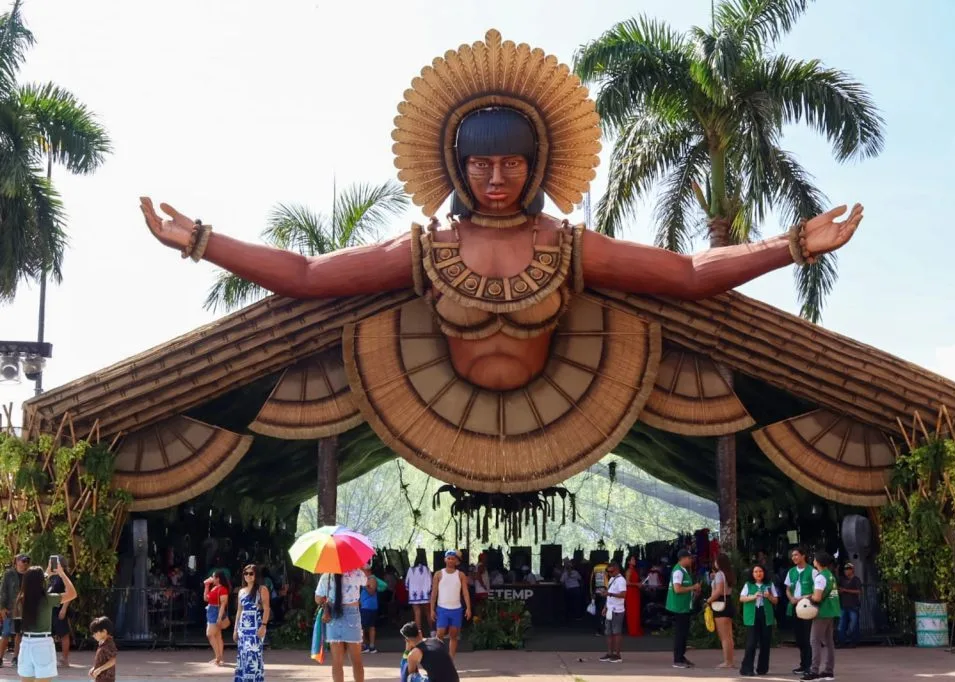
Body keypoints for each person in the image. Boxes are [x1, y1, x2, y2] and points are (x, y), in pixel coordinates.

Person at [139, 28, 864, 496]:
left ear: (536, 164)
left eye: (511, 163)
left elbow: (686, 276)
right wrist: (202, 240)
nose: (494, 178)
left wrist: (792, 245)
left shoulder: (567, 245)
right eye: (480, 164)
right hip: (431, 404)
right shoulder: (427, 248)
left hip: (567, 403)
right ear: (456, 167)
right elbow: (306, 277)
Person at [16, 562, 77, 681]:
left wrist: (46, 573)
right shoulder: (47, 598)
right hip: (42, 644)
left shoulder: (21, 599)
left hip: (25, 644)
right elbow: (72, 593)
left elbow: (33, 583)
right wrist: (61, 573)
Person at [315, 567, 368, 682]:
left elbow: (317, 598)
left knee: (337, 661)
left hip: (333, 615)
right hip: (352, 615)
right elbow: (366, 582)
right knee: (356, 660)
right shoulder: (357, 573)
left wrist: (327, 599)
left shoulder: (326, 576)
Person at [804, 551, 840, 682]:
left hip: (822, 612)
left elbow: (818, 597)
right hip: (831, 611)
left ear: (817, 562)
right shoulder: (830, 575)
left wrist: (809, 598)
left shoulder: (820, 577)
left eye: (814, 559)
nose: (813, 561)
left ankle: (814, 671)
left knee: (815, 641)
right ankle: (829, 671)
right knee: (829, 642)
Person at [430, 551, 471, 659]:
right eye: (448, 558)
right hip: (442, 608)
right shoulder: (438, 574)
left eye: (453, 559)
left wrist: (468, 608)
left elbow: (465, 592)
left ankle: (451, 659)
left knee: (454, 635)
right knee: (440, 634)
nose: (450, 560)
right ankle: (439, 657)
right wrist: (432, 609)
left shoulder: (461, 575)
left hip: (456, 609)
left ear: (456, 561)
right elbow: (434, 592)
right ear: (445, 559)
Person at [233, 564, 271, 682]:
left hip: (256, 627)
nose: (248, 576)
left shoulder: (261, 589)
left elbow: (267, 609)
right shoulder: (241, 591)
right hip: (243, 629)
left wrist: (263, 626)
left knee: (253, 655)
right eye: (245, 573)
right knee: (243, 656)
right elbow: (239, 611)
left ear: (256, 575)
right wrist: (235, 629)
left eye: (251, 573)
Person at [739, 564, 778, 677]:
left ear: (764, 573)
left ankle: (762, 668)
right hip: (752, 615)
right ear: (752, 574)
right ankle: (747, 669)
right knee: (751, 643)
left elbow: (776, 601)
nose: (758, 574)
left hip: (766, 615)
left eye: (760, 571)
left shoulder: (769, 584)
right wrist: (753, 596)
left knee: (765, 643)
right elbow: (741, 598)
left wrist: (769, 596)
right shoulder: (748, 584)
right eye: (755, 572)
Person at [666, 550, 700, 669]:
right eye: (689, 558)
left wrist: (694, 591)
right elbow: (677, 589)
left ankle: (681, 656)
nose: (691, 560)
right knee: (680, 633)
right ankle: (677, 659)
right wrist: (692, 587)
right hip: (679, 607)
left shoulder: (684, 570)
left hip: (685, 606)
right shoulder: (678, 571)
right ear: (683, 558)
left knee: (684, 633)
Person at [784, 546, 814, 676]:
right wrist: (791, 598)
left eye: (796, 555)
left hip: (808, 607)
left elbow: (816, 591)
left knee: (808, 638)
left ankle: (810, 665)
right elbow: (787, 589)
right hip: (795, 607)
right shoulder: (791, 571)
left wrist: (802, 597)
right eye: (792, 555)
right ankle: (803, 664)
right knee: (799, 638)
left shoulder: (812, 571)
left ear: (803, 556)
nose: (794, 557)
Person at [0, 554, 29, 668]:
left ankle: (16, 658)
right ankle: (0, 658)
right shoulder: (9, 574)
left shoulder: (29, 574)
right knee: (5, 633)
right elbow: (3, 591)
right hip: (10, 609)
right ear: (16, 562)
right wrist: (2, 608)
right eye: (23, 560)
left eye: (27, 561)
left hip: (24, 609)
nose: (25, 563)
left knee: (19, 634)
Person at [709, 553, 736, 668]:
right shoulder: (727, 574)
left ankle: (727, 662)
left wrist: (708, 600)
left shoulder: (720, 574)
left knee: (724, 636)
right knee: (728, 635)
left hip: (720, 603)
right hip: (728, 602)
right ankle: (730, 660)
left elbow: (719, 591)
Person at [599, 561, 627, 663]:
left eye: (611, 571)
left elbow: (623, 595)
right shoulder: (611, 579)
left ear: (617, 570)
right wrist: (605, 607)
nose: (609, 573)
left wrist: (610, 594)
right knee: (608, 632)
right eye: (608, 572)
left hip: (617, 610)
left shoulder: (621, 580)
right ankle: (610, 653)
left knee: (617, 632)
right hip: (610, 608)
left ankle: (617, 654)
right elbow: (609, 595)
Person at [48, 558, 71, 668]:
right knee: (50, 634)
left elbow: (69, 592)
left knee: (63, 633)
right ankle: (50, 658)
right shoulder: (53, 576)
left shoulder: (65, 575)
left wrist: (64, 608)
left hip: (60, 608)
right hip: (51, 609)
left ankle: (65, 659)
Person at [203, 570, 230, 666]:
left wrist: (219, 617)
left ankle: (218, 657)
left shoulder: (223, 589)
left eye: (213, 577)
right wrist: (206, 586)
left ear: (218, 578)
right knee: (218, 635)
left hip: (216, 611)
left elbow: (223, 604)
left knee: (210, 634)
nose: (212, 578)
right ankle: (219, 658)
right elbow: (206, 598)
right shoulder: (214, 588)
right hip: (210, 610)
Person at [405, 557, 432, 639]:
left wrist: (410, 589)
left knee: (417, 613)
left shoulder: (411, 570)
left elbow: (407, 583)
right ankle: (433, 631)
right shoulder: (427, 569)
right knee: (428, 613)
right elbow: (430, 582)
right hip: (425, 594)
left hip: (414, 595)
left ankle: (419, 634)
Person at [837, 562, 862, 648]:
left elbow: (859, 591)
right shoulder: (842, 580)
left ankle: (853, 642)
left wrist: (846, 590)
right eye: (845, 569)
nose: (846, 571)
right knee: (841, 625)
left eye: (848, 569)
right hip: (844, 605)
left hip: (853, 606)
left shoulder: (856, 579)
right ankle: (841, 642)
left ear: (852, 570)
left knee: (853, 624)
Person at [88, 616, 117, 682]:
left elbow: (112, 661)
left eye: (95, 633)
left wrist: (99, 669)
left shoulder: (109, 645)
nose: (93, 635)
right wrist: (95, 668)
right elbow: (103, 661)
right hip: (101, 678)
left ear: (104, 631)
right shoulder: (103, 644)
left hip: (106, 679)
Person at [359, 564, 380, 654]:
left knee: (364, 626)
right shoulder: (366, 579)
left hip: (368, 606)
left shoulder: (372, 579)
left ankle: (367, 646)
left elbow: (371, 592)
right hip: (366, 605)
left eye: (362, 570)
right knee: (367, 626)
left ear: (367, 570)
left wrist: (365, 585)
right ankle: (367, 645)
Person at [624, 555, 642, 637]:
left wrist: (639, 584)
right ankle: (632, 629)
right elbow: (627, 582)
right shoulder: (628, 571)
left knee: (636, 610)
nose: (634, 560)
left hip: (635, 591)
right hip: (631, 592)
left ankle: (636, 628)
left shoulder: (634, 570)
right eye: (632, 559)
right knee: (632, 611)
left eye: (634, 559)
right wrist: (637, 584)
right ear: (628, 562)